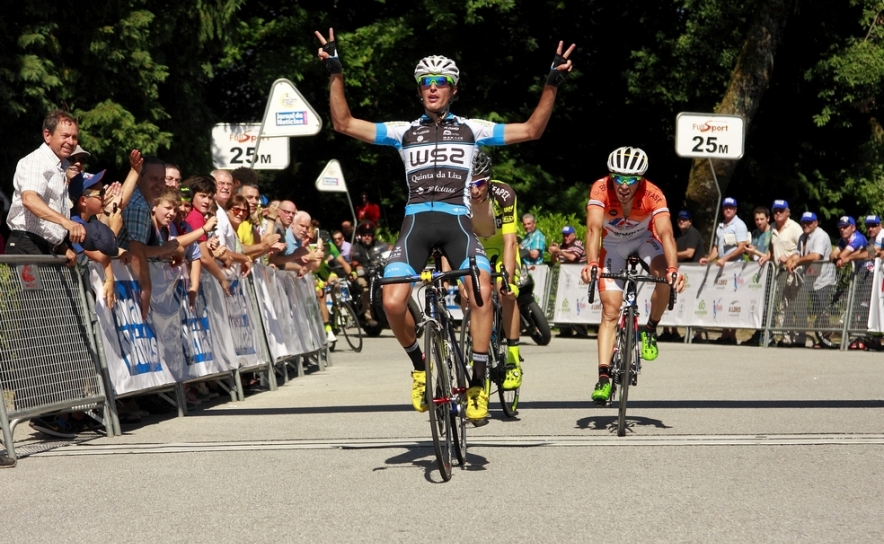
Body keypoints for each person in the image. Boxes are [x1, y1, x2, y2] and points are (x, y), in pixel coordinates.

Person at [315, 28, 575, 422]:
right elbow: (344, 123)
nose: (433, 88)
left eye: (441, 82)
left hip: (457, 223)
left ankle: (477, 380)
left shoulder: (474, 129)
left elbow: (531, 130)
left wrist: (552, 81)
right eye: (426, 83)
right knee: (391, 301)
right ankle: (420, 367)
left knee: (482, 293)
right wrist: (335, 71)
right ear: (419, 90)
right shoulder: (404, 132)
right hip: (416, 223)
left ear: (453, 90)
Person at [582, 147, 684, 403]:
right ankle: (604, 378)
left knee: (663, 277)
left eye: (630, 179)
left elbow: (667, 234)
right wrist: (592, 262)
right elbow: (593, 230)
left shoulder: (653, 194)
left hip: (644, 240)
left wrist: (673, 269)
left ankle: (650, 328)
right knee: (610, 312)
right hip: (613, 246)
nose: (623, 185)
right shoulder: (600, 189)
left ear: (640, 179)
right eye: (618, 177)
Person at [466, 151, 523, 390]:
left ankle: (512, 357)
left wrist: (508, 279)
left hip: (502, 246)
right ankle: (475, 346)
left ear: (488, 182)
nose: (474, 190)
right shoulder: (458, 197)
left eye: (479, 184)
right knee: (467, 293)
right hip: (476, 247)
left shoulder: (504, 194)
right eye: (469, 183)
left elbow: (510, 241)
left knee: (504, 291)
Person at [5, 109, 85, 260]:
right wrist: (66, 223)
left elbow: (44, 224)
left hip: (44, 249)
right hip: (27, 247)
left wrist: (62, 247)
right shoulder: (37, 162)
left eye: (74, 137)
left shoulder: (59, 167)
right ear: (47, 135)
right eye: (65, 136)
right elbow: (29, 199)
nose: (71, 141)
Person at [117, 156, 167, 318]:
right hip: (120, 279)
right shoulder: (138, 205)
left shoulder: (146, 201)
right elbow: (137, 251)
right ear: (139, 178)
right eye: (153, 179)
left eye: (162, 179)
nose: (159, 184)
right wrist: (146, 288)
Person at [699, 197, 748, 344]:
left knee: (733, 301)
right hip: (723, 269)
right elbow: (716, 247)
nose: (728, 209)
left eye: (731, 208)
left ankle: (732, 335)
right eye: (726, 207)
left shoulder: (739, 225)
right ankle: (725, 333)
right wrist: (709, 259)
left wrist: (725, 259)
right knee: (723, 300)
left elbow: (741, 247)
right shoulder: (721, 226)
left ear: (735, 210)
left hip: (735, 268)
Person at [786, 212, 836, 348]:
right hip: (810, 278)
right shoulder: (803, 236)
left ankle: (825, 340)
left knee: (822, 311)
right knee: (806, 308)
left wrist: (796, 263)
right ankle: (804, 338)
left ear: (816, 223)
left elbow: (816, 256)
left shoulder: (821, 235)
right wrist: (789, 261)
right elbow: (797, 253)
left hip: (823, 279)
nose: (805, 225)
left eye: (809, 222)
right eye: (803, 222)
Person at [762, 199, 803, 346]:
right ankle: (785, 337)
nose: (778, 213)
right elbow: (772, 250)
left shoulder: (795, 227)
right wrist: (766, 258)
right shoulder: (772, 227)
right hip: (779, 272)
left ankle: (799, 339)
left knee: (796, 305)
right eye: (775, 211)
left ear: (788, 212)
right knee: (782, 306)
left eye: (781, 210)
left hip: (794, 271)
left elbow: (803, 248)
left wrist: (791, 258)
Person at [660, 209, 704, 342]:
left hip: (693, 275)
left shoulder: (693, 233)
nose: (681, 221)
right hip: (680, 274)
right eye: (679, 219)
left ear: (690, 221)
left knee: (691, 304)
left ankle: (696, 334)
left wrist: (671, 255)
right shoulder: (678, 236)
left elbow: (690, 253)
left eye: (684, 219)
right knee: (673, 301)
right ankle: (672, 330)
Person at [348, 221, 385, 327]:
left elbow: (389, 249)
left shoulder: (378, 244)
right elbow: (353, 258)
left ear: (373, 236)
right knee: (366, 289)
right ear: (360, 236)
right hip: (362, 275)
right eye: (364, 235)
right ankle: (368, 317)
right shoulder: (356, 247)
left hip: (377, 272)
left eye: (369, 235)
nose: (367, 237)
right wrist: (357, 265)